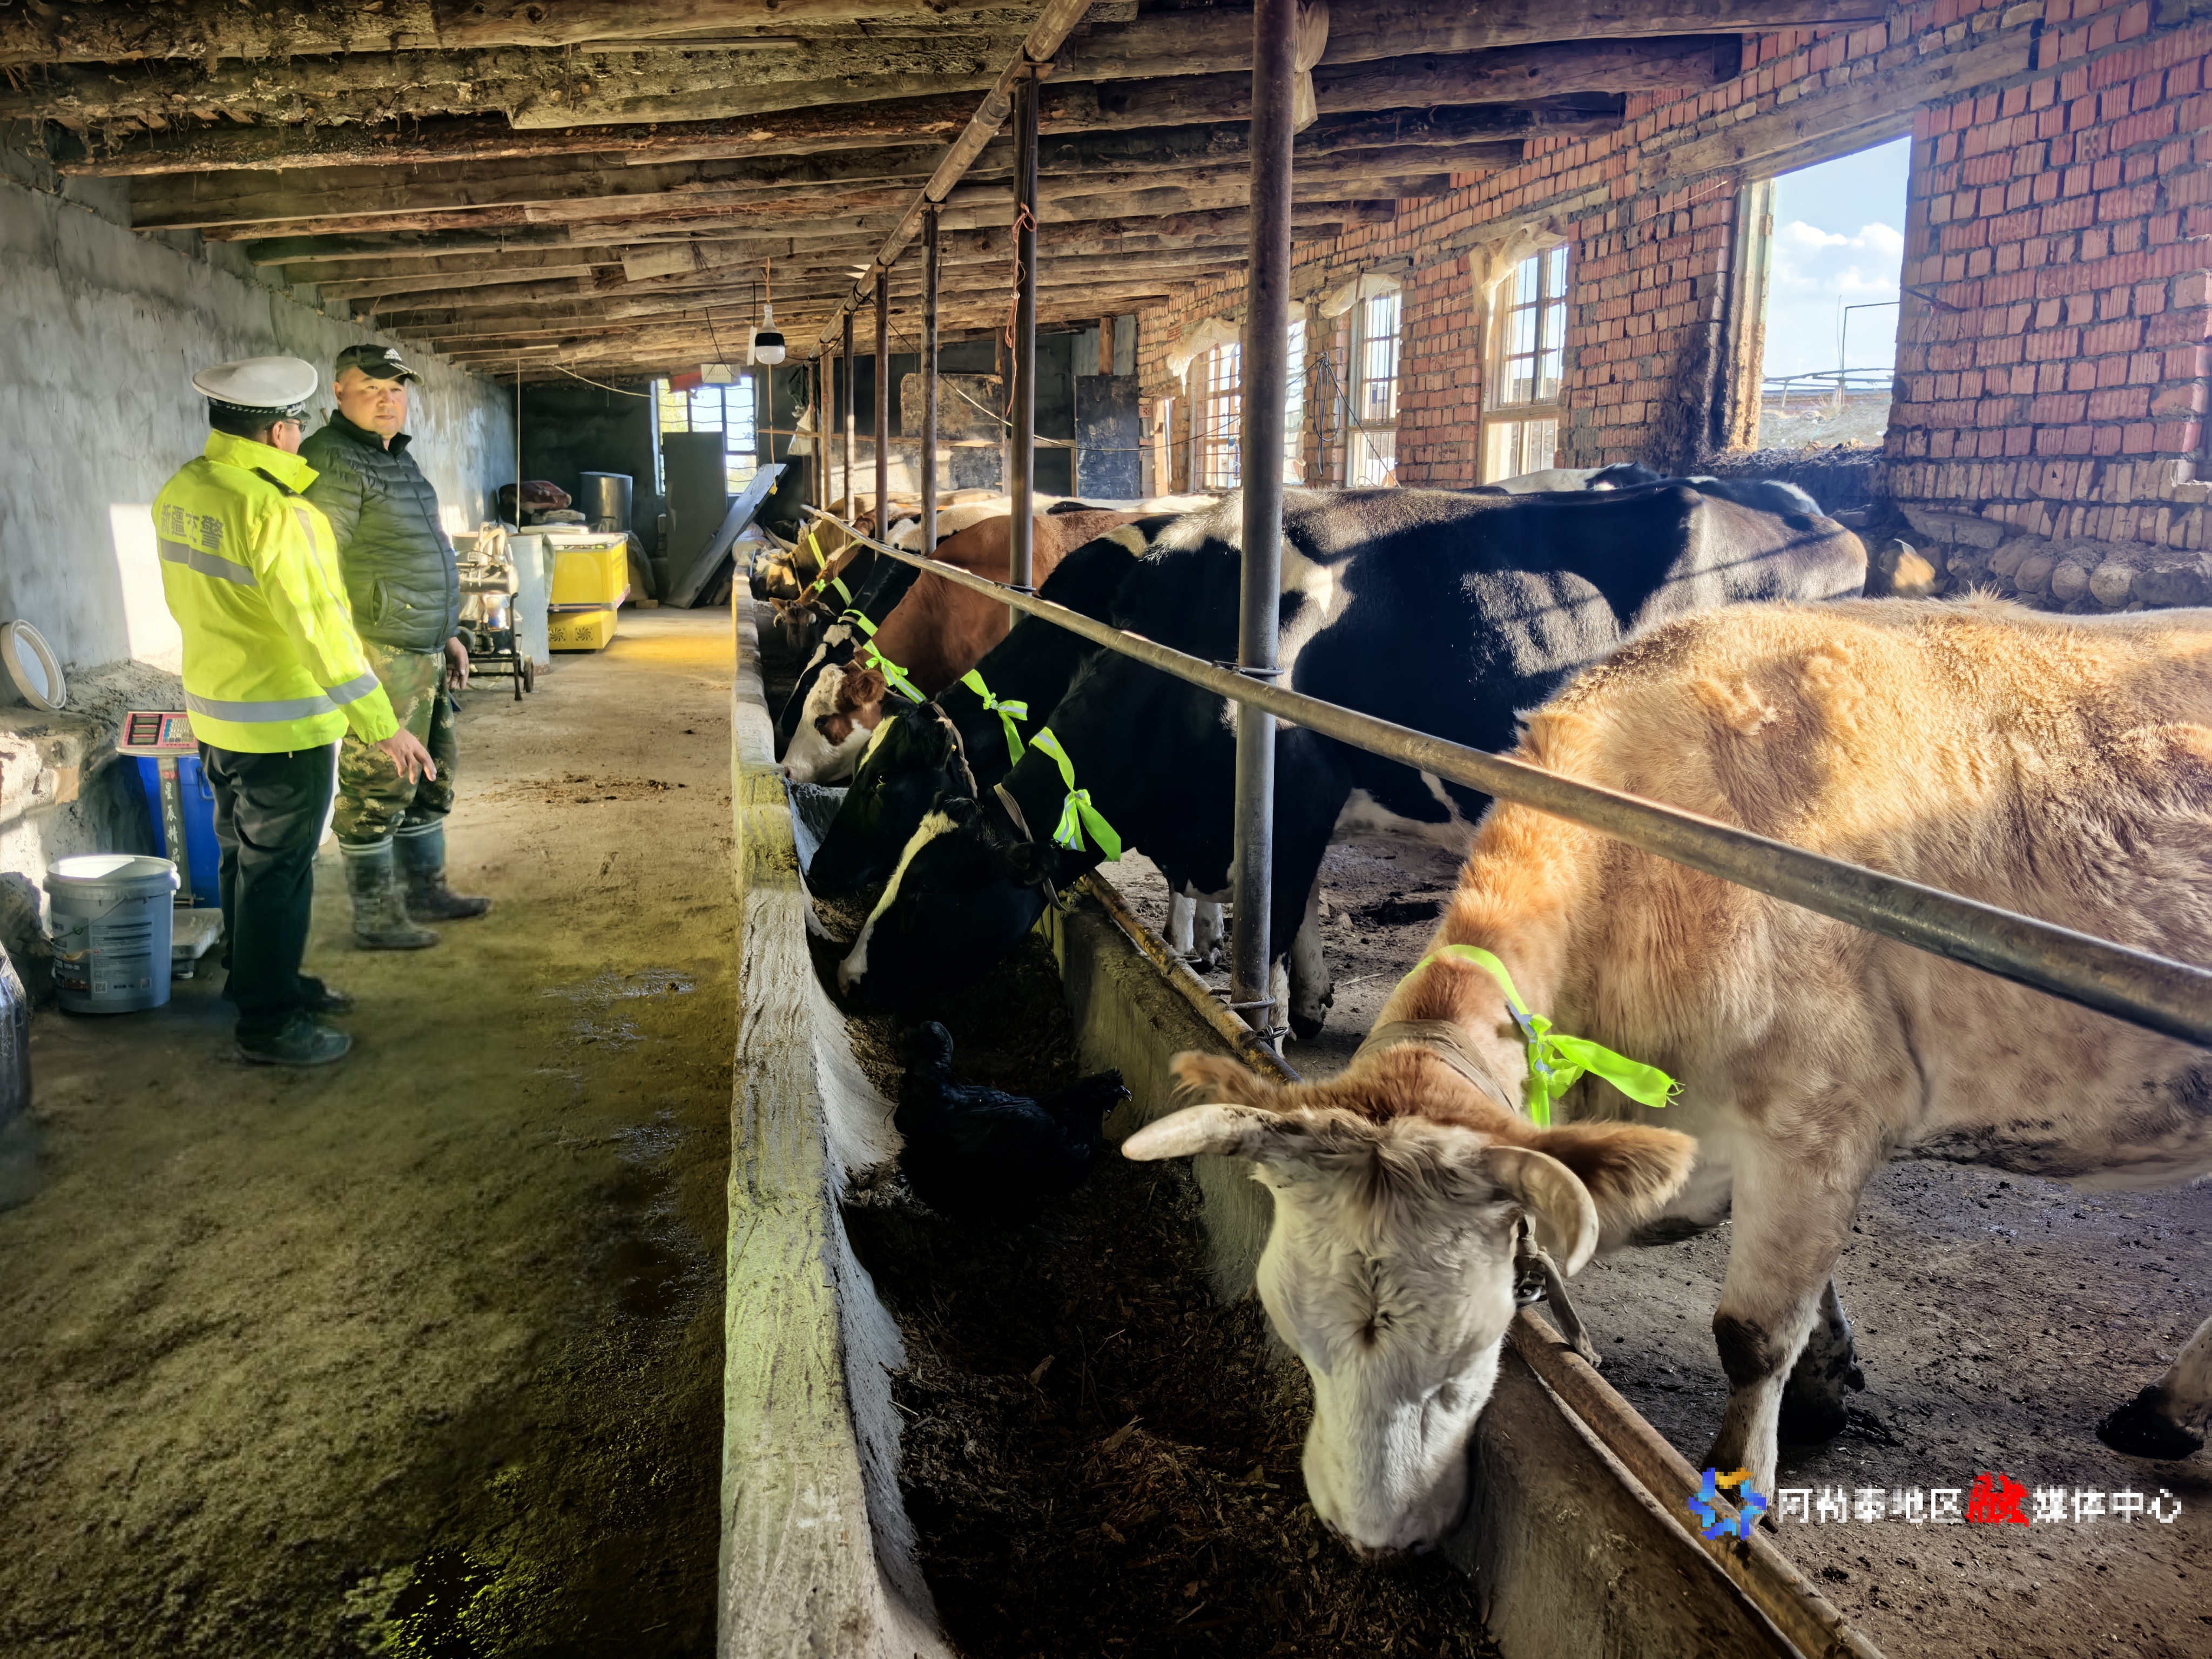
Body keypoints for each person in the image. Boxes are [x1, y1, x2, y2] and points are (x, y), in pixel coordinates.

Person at [154, 356, 437, 1065]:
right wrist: (383, 726)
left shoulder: (183, 489)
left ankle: (254, 978)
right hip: (281, 725)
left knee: (241, 858)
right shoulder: (280, 513)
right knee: (279, 873)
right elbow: (322, 631)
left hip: (217, 717)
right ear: (281, 432)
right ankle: (270, 1022)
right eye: (297, 423)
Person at [301, 342, 491, 949]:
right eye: (371, 390)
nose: (387, 402)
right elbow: (319, 570)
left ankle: (425, 891)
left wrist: (448, 633)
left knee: (430, 774)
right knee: (379, 782)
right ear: (339, 393)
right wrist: (355, 657)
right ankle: (375, 915)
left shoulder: (395, 458)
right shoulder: (332, 459)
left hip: (421, 644)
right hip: (382, 648)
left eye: (396, 390)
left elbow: (418, 552)